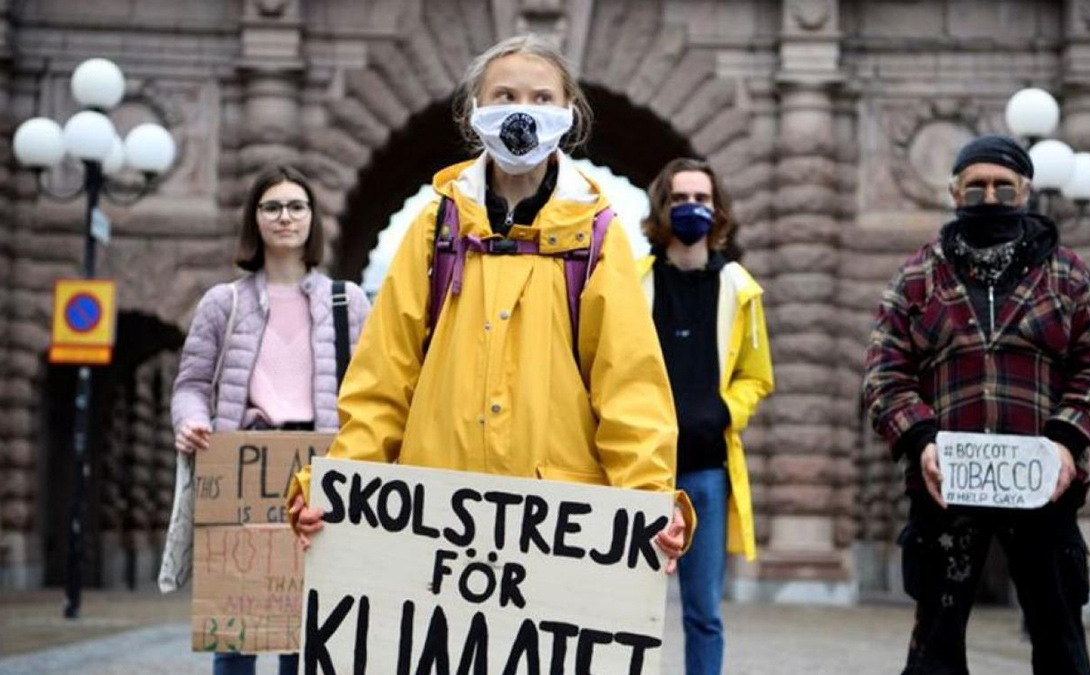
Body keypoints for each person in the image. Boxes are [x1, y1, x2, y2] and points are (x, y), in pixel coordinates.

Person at [286, 35, 692, 569]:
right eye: (504, 94)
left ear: (569, 113)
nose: (522, 110)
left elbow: (628, 386)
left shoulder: (596, 237)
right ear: (474, 110)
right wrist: (334, 486)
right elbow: (383, 382)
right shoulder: (434, 230)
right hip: (435, 518)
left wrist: (647, 503)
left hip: (552, 530)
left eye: (542, 98)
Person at [862, 134, 1090, 675]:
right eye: (976, 185)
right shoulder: (919, 276)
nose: (989, 196)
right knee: (933, 652)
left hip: (1043, 486)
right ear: (955, 192)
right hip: (945, 488)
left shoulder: (1067, 274)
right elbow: (885, 373)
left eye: (1004, 186)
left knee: (1062, 650)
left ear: (1025, 192)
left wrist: (1068, 441)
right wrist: (920, 439)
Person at [170, 165, 370, 675]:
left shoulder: (349, 303)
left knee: (306, 630)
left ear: (312, 219)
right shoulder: (224, 303)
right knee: (235, 631)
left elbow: (371, 392)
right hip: (243, 465)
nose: (285, 217)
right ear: (255, 220)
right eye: (272, 207)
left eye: (296, 206)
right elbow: (192, 384)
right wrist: (190, 422)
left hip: (319, 470)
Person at [638, 158, 773, 675]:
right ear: (662, 208)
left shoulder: (741, 288)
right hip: (639, 469)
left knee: (703, 612)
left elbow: (757, 377)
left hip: (705, 472)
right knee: (628, 606)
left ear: (716, 210)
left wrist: (722, 412)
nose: (690, 208)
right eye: (679, 199)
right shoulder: (633, 280)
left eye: (700, 198)